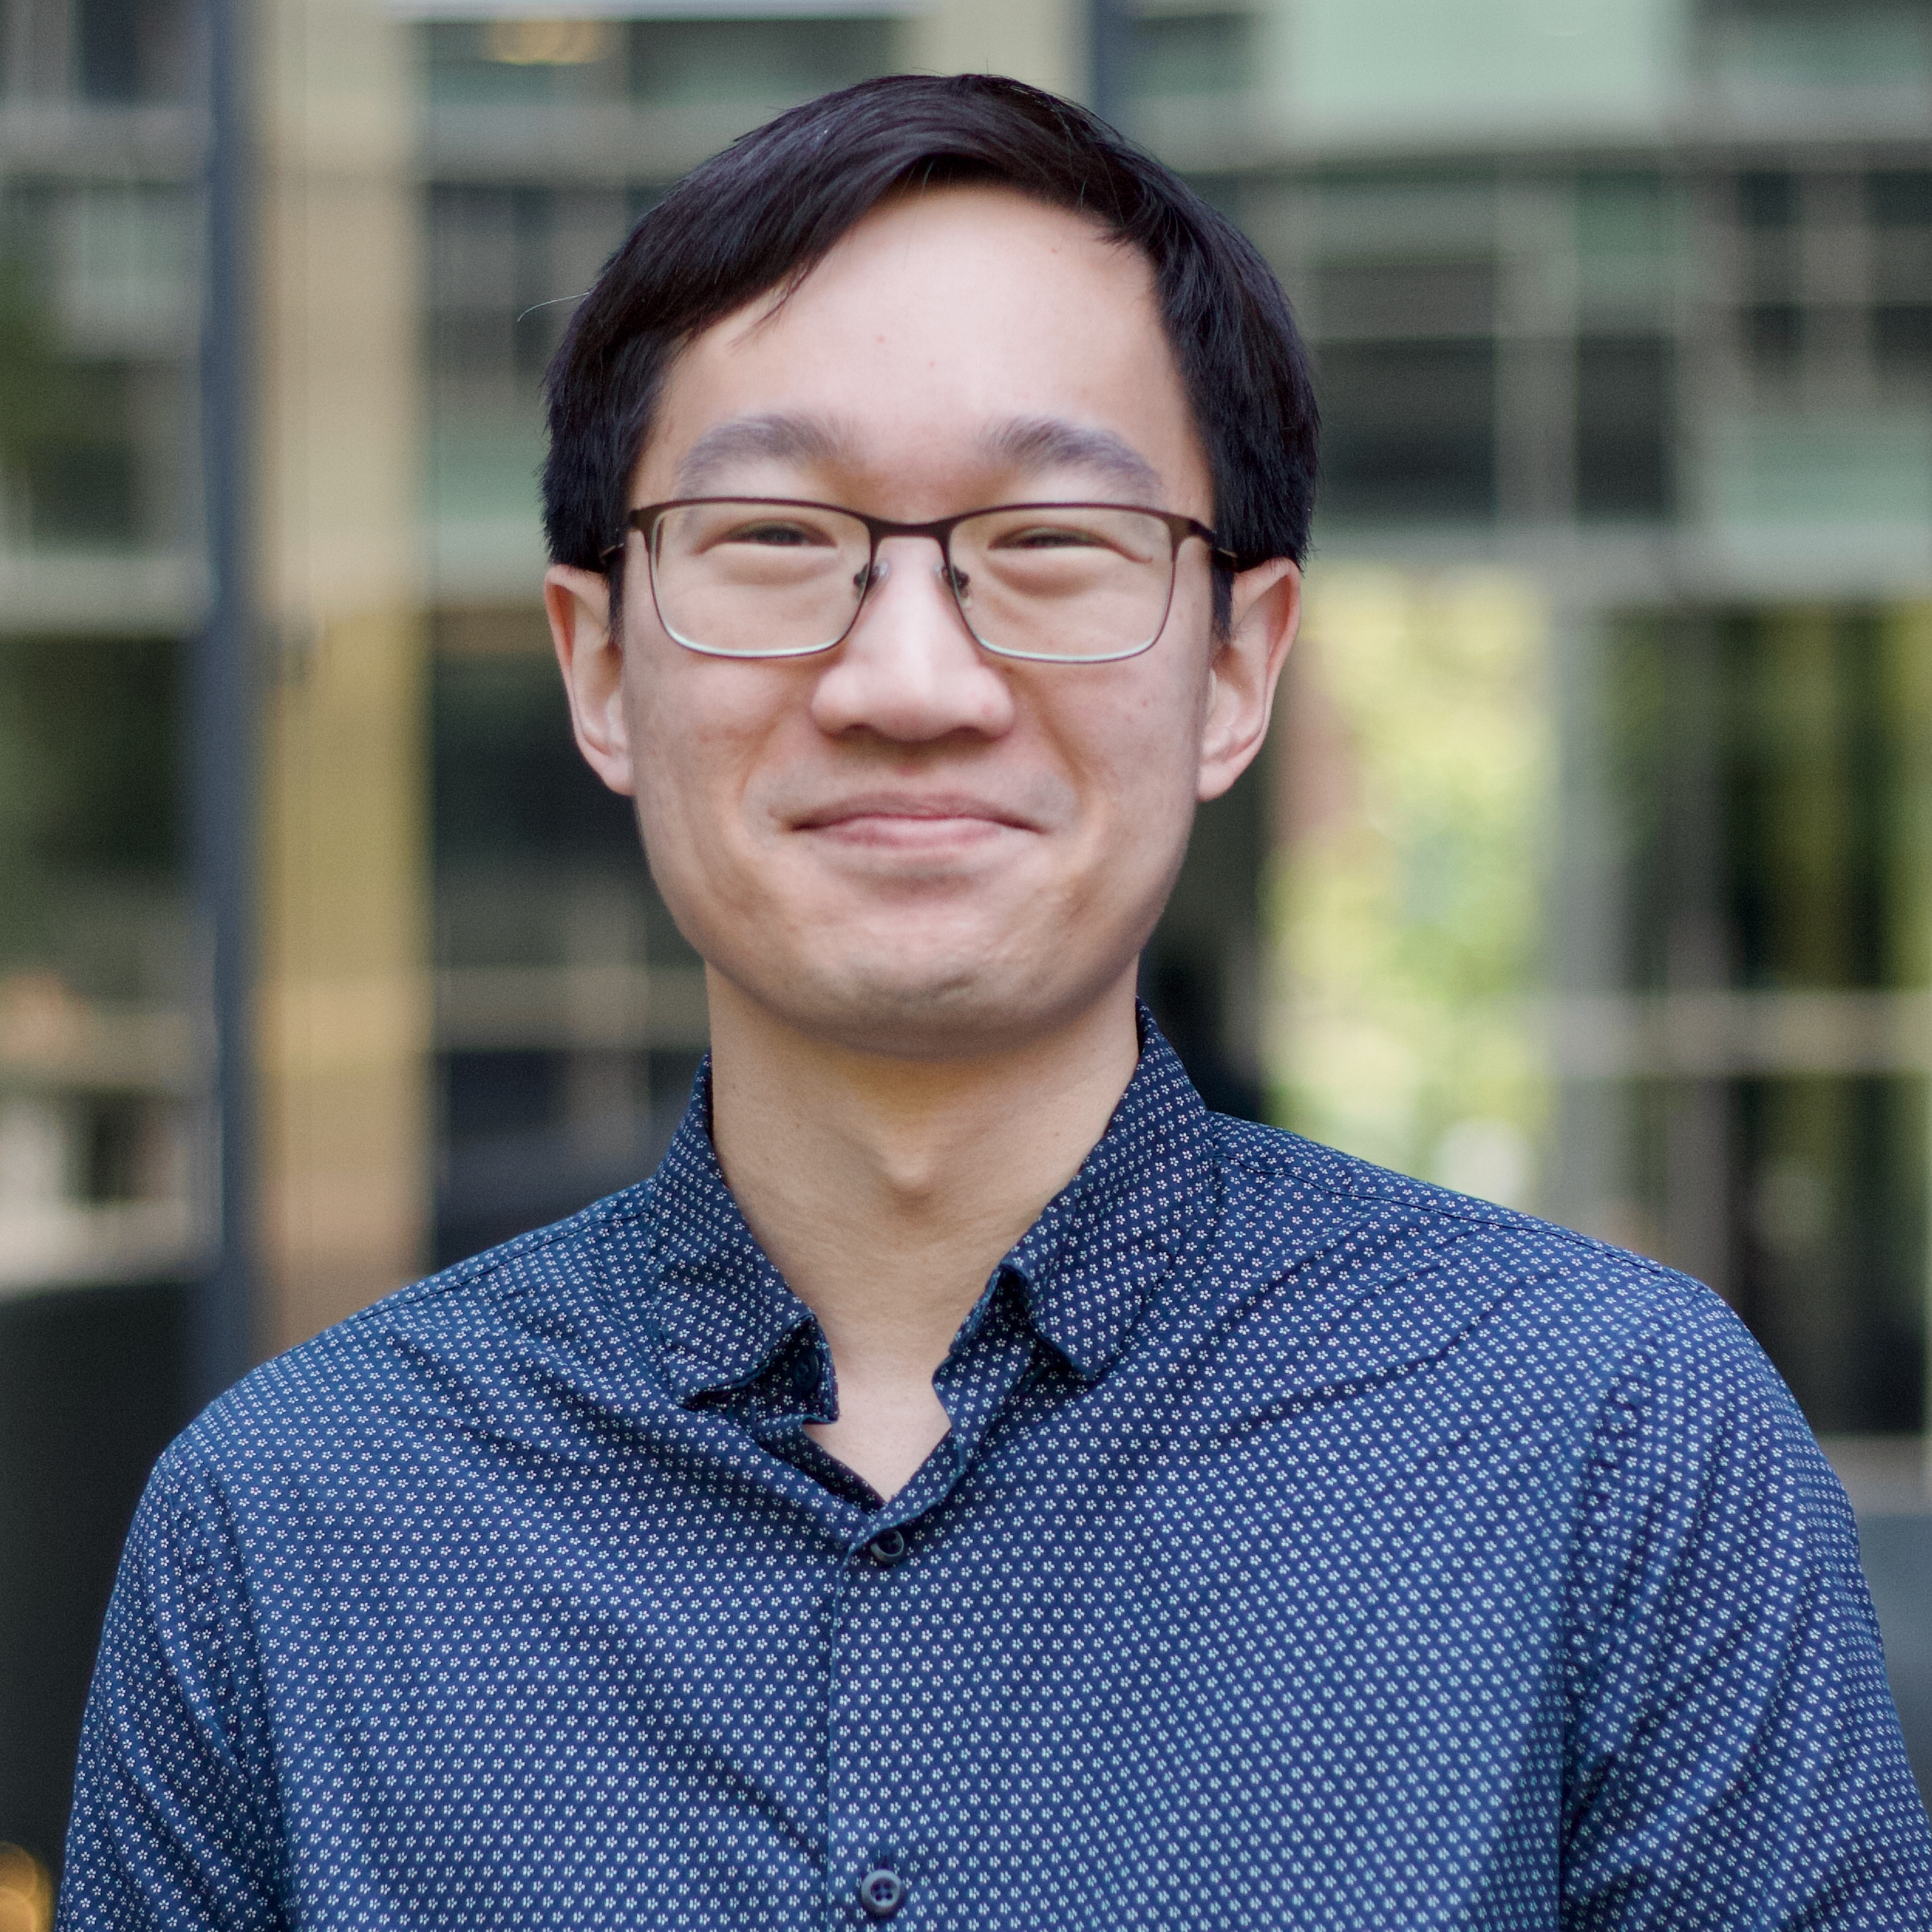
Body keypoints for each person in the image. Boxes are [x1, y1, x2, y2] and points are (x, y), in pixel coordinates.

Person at [59, 73, 1932, 1930]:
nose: (907, 674)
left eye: (1046, 546)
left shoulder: (1608, 1453)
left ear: (1235, 668)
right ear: (599, 664)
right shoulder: (286, 1534)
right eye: (777, 540)